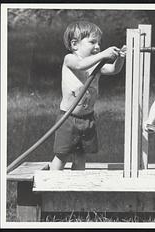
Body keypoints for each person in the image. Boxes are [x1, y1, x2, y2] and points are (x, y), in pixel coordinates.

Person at [50, 21, 126, 170]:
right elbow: (80, 65)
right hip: (69, 118)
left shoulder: (96, 64)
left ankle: (78, 185)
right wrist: (104, 54)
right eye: (92, 42)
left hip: (87, 118)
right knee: (62, 154)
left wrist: (120, 58)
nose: (97, 46)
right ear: (74, 45)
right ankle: (52, 183)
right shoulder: (70, 59)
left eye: (99, 43)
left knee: (81, 154)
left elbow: (113, 70)